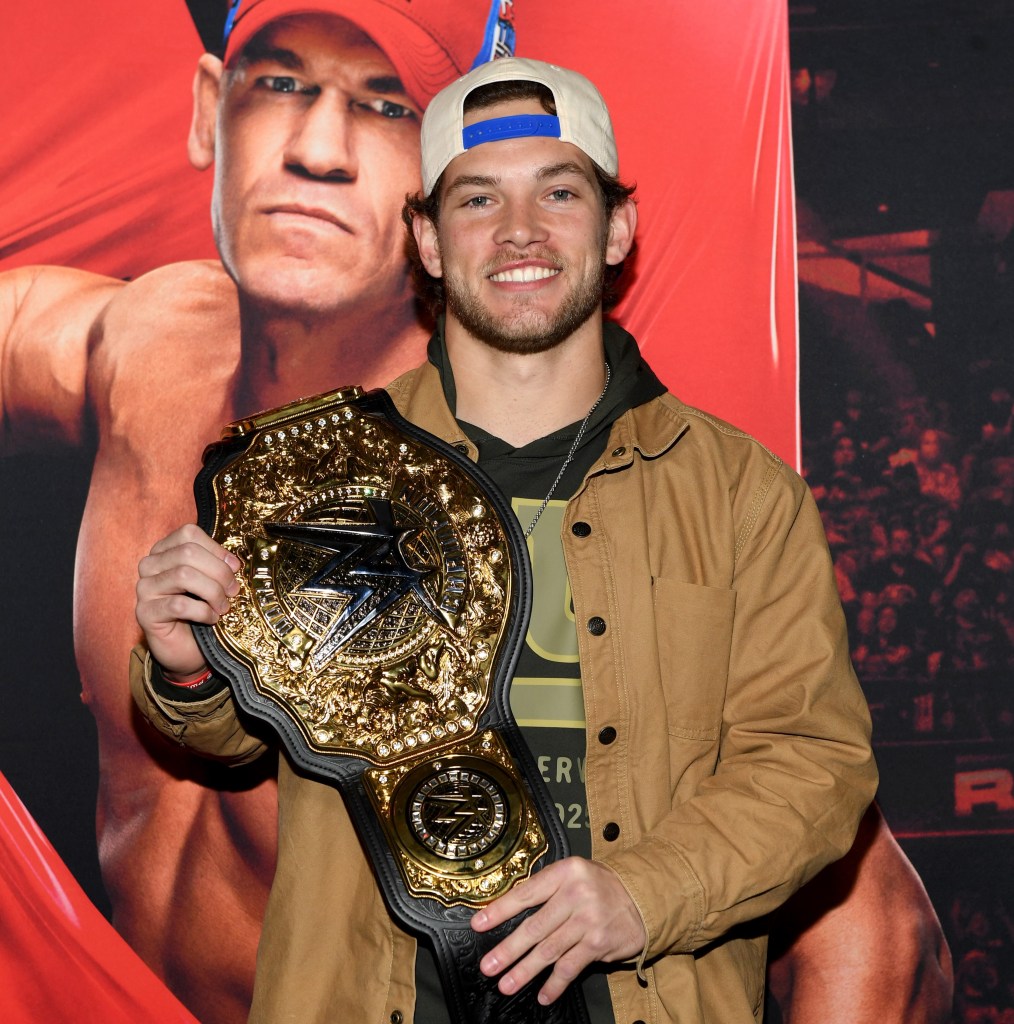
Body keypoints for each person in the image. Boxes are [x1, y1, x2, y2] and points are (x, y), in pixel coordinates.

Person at [133, 56, 878, 1022]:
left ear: (617, 229)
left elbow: (815, 760)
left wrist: (644, 893)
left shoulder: (741, 493)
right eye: (477, 198)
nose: (520, 232)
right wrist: (190, 663)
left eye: (559, 192)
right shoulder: (318, 469)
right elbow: (232, 732)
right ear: (429, 243)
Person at [0, 2, 495, 1021]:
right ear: (207, 111)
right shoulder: (152, 347)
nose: (317, 150)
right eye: (279, 84)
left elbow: (866, 923)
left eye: (387, 105)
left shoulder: (516, 498)